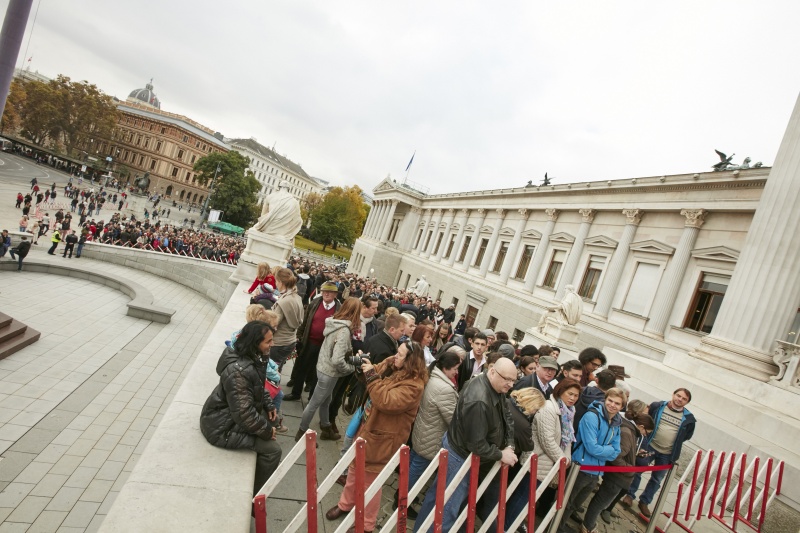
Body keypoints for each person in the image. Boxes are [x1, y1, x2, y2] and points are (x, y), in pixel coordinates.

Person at [325, 340, 428, 533]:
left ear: (410, 361)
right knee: (354, 468)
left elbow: (385, 401)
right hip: (367, 427)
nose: (395, 356)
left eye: (400, 354)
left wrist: (371, 373)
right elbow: (369, 379)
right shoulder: (392, 365)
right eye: (396, 352)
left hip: (383, 439)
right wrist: (364, 367)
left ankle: (367, 525)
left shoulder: (415, 386)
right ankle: (345, 505)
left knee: (370, 482)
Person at [414, 358, 518, 532]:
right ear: (492, 371)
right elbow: (476, 445)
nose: (511, 384)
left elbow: (506, 415)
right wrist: (501, 454)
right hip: (461, 457)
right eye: (507, 379)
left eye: (514, 380)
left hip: (461, 452)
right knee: (447, 509)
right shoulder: (479, 400)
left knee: (439, 498)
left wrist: (509, 444)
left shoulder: (494, 386)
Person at [199, 321, 282, 496]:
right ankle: (255, 496)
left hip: (230, 416)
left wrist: (267, 402)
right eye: (268, 342)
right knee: (274, 451)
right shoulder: (239, 371)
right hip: (220, 427)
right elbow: (244, 414)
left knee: (274, 419)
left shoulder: (255, 356)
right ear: (255, 343)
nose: (272, 345)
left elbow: (258, 385)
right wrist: (267, 431)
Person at [557, 388, 624, 533]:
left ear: (622, 407)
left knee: (576, 503)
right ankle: (554, 526)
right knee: (566, 501)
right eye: (610, 400)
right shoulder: (592, 416)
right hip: (580, 467)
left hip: (596, 471)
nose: (612, 405)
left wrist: (606, 451)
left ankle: (560, 526)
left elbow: (617, 451)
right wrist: (608, 450)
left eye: (617, 403)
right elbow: (591, 447)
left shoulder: (617, 422)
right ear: (605, 399)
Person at [296, 297, 363, 441]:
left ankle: (326, 428)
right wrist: (350, 368)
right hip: (330, 372)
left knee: (326, 400)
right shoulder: (344, 330)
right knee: (314, 403)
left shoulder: (334, 322)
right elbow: (337, 359)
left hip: (323, 367)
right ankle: (301, 432)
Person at [623, 388, 696, 518]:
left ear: (687, 402)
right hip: (650, 445)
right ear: (673, 394)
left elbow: (687, 436)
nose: (680, 399)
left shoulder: (689, 419)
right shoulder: (657, 406)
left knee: (657, 479)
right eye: (678, 395)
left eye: (684, 399)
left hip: (667, 453)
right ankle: (630, 494)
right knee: (638, 469)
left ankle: (644, 502)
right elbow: (645, 419)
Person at [581, 411, 654, 533]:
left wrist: (635, 454)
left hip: (618, 475)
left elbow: (623, 452)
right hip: (617, 476)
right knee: (601, 502)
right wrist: (628, 468)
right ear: (641, 426)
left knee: (601, 500)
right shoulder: (628, 433)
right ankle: (588, 526)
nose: (645, 435)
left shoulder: (629, 431)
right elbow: (616, 456)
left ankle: (588, 524)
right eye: (646, 432)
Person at [407, 349, 461, 512]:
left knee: (413, 463)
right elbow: (452, 419)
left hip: (423, 430)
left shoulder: (433, 375)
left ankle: (403, 494)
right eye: (455, 368)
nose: (457, 372)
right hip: (431, 436)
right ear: (446, 368)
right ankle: (403, 500)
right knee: (417, 470)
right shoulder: (444, 388)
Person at [284, 281, 341, 401]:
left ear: (335, 294)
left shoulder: (339, 310)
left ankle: (312, 398)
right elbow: (305, 320)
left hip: (325, 347)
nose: (326, 293)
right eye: (324, 291)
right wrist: (299, 335)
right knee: (301, 367)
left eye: (330, 292)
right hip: (308, 342)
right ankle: (296, 393)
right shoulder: (315, 302)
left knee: (317, 373)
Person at [499, 387, 546, 531]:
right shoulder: (524, 424)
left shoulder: (505, 402)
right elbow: (528, 445)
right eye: (537, 408)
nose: (536, 412)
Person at [270, 267, 304, 368]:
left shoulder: (284, 302)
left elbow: (272, 325)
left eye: (276, 281)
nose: (276, 284)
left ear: (280, 282)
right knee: (277, 369)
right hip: (290, 341)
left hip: (278, 343)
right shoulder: (297, 297)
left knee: (271, 373)